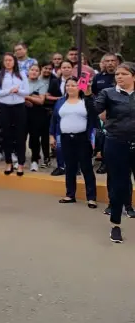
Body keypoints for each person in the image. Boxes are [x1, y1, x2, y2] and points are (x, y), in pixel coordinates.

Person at [94, 62, 135, 243]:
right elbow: (95, 109)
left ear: (133, 76)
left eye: (124, 73)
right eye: (117, 74)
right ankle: (115, 226)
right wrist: (87, 94)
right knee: (118, 186)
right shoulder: (108, 93)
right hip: (116, 144)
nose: (119, 76)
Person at [50, 77, 98, 209]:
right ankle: (70, 194)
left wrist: (88, 93)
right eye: (68, 85)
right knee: (70, 167)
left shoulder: (85, 101)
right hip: (65, 138)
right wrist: (51, 135)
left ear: (79, 87)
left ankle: (91, 197)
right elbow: (54, 119)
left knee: (86, 168)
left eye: (73, 85)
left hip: (82, 138)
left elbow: (94, 115)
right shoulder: (61, 102)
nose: (70, 87)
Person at [0, 53, 29, 176]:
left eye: (10, 60)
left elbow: (27, 92)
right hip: (4, 107)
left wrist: (18, 91)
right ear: (3, 62)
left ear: (14, 62)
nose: (8, 62)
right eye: (6, 60)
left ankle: (20, 164)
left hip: (19, 107)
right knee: (6, 136)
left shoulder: (22, 74)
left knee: (20, 136)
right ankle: (8, 163)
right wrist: (9, 90)